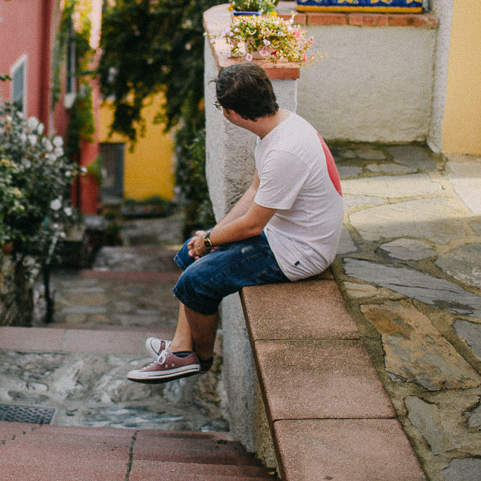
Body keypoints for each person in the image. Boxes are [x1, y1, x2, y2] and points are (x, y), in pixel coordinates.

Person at [127, 62, 344, 383]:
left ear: (233, 113)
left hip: (299, 252)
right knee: (190, 253)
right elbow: (254, 191)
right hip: (281, 234)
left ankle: (197, 358)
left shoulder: (285, 150)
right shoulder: (278, 130)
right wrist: (210, 236)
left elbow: (253, 224)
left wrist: (213, 240)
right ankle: (180, 347)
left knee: (194, 283)